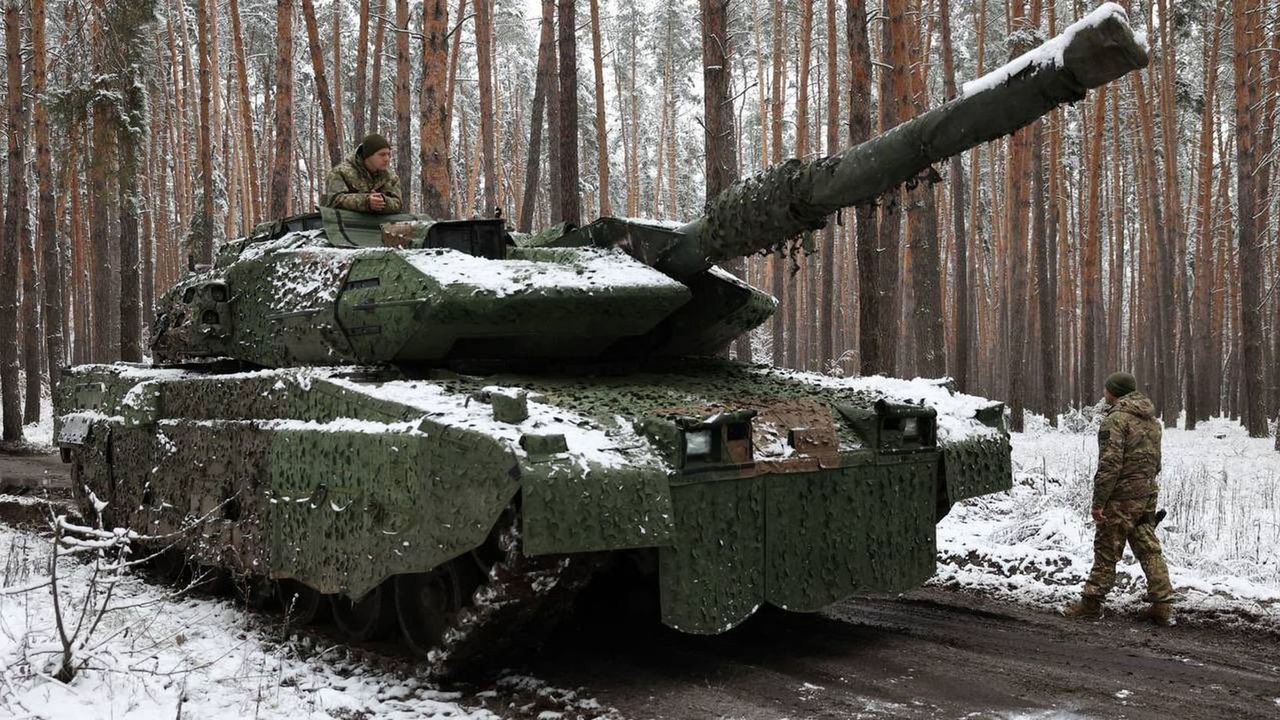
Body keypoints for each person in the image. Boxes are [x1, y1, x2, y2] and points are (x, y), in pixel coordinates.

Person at [1062, 372, 1175, 625]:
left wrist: (1099, 501)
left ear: (1114, 392)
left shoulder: (1116, 420)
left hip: (1121, 496)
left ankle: (1091, 604)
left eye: (1107, 389)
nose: (1104, 393)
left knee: (1106, 550)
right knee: (1148, 547)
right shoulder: (1151, 421)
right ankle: (1162, 605)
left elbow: (1110, 464)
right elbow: (1156, 462)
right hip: (1146, 492)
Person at [321, 133, 404, 213]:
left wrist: (383, 201)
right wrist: (365, 201)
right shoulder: (341, 173)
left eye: (389, 154)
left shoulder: (391, 178)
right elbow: (334, 200)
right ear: (368, 155)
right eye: (382, 154)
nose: (387, 159)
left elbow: (398, 204)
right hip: (347, 225)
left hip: (380, 225)